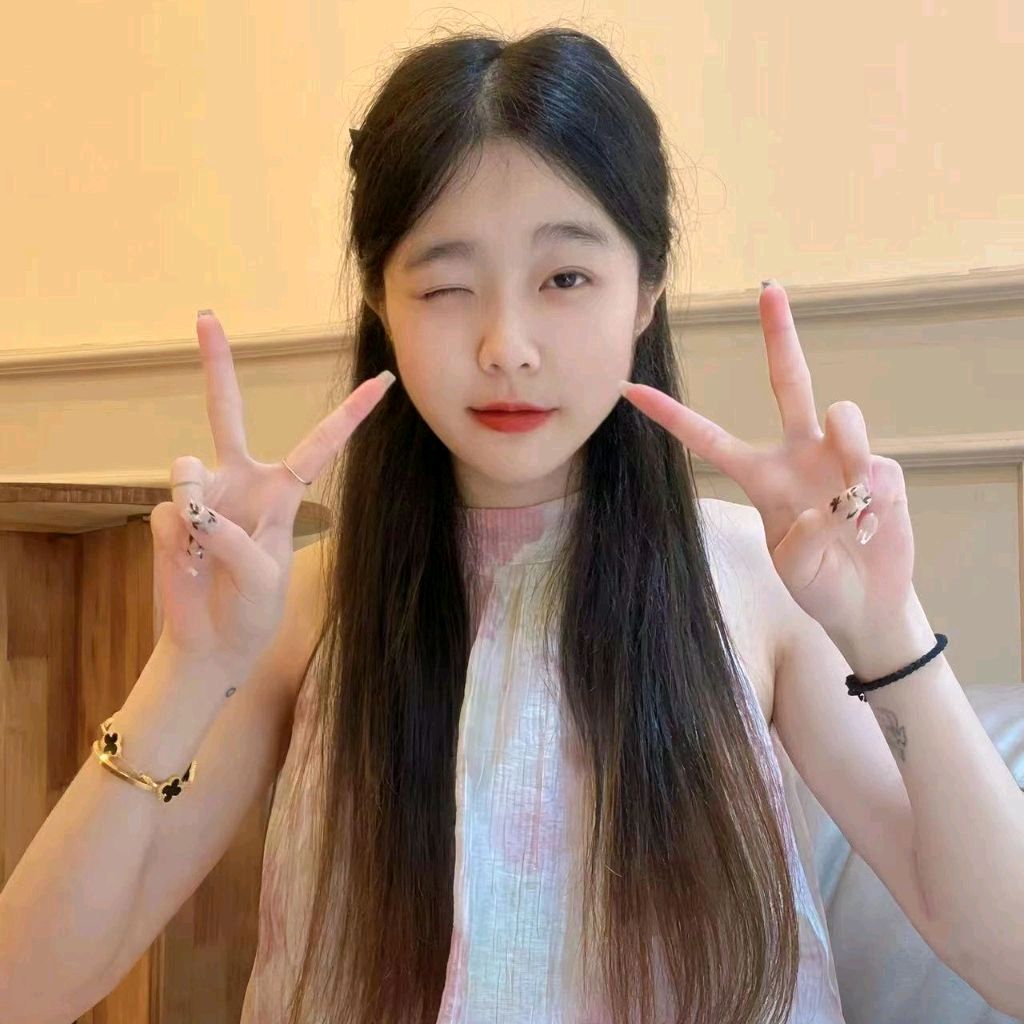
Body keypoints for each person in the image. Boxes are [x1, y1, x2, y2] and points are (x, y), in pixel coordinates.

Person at [240, 25, 849, 1024]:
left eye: (564, 278)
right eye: (446, 285)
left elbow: (1001, 949)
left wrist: (888, 634)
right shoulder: (306, 607)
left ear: (645, 290)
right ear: (381, 302)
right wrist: (186, 665)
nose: (507, 347)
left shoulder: (757, 577)